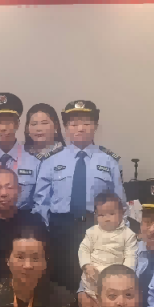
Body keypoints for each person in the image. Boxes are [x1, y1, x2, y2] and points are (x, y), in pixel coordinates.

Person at [33, 99, 126, 290]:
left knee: (95, 281)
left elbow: (120, 202)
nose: (80, 128)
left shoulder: (109, 161)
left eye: (86, 123)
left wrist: (119, 235)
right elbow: (41, 201)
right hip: (60, 229)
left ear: (95, 126)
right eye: (74, 124)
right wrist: (46, 230)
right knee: (60, 281)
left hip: (97, 228)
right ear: (66, 128)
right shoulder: (51, 161)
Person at [0, 167, 48, 286]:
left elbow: (45, 263)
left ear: (19, 190)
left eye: (9, 187)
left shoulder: (34, 222)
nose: (4, 193)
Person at [79, 192, 138, 297]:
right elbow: (84, 249)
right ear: (96, 215)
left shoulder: (128, 234)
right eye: (101, 215)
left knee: (112, 298)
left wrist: (124, 275)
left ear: (122, 213)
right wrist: (86, 265)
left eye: (111, 214)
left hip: (115, 278)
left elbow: (131, 256)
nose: (106, 218)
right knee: (90, 296)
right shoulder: (92, 231)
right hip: (92, 275)